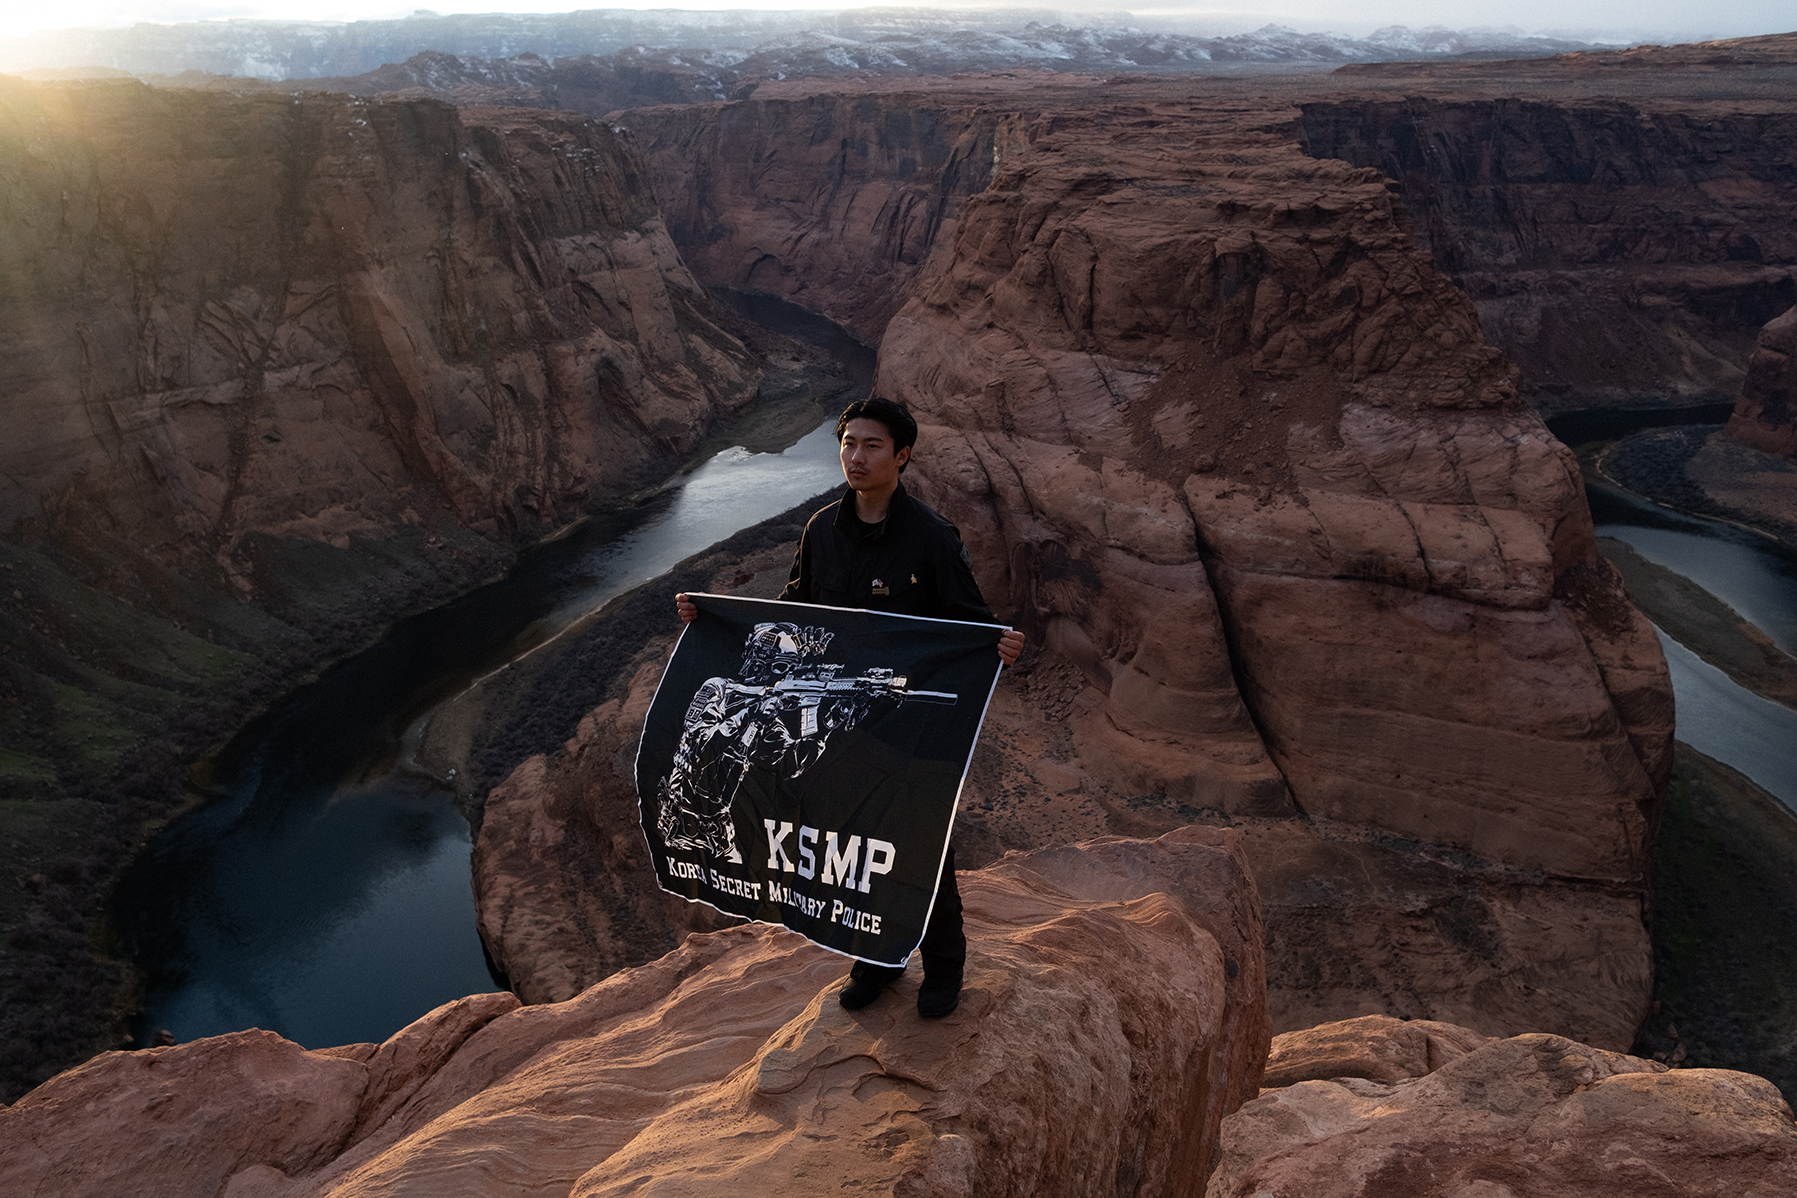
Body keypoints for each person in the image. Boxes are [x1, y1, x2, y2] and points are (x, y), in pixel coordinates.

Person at [676, 396, 1024, 1018]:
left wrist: (998, 643)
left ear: (902, 455)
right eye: (847, 443)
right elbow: (794, 611)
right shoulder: (820, 532)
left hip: (907, 729)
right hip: (839, 734)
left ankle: (944, 969)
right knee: (858, 839)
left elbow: (968, 624)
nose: (855, 457)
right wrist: (715, 619)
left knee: (921, 847)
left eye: (871, 446)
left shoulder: (931, 540)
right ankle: (880, 958)